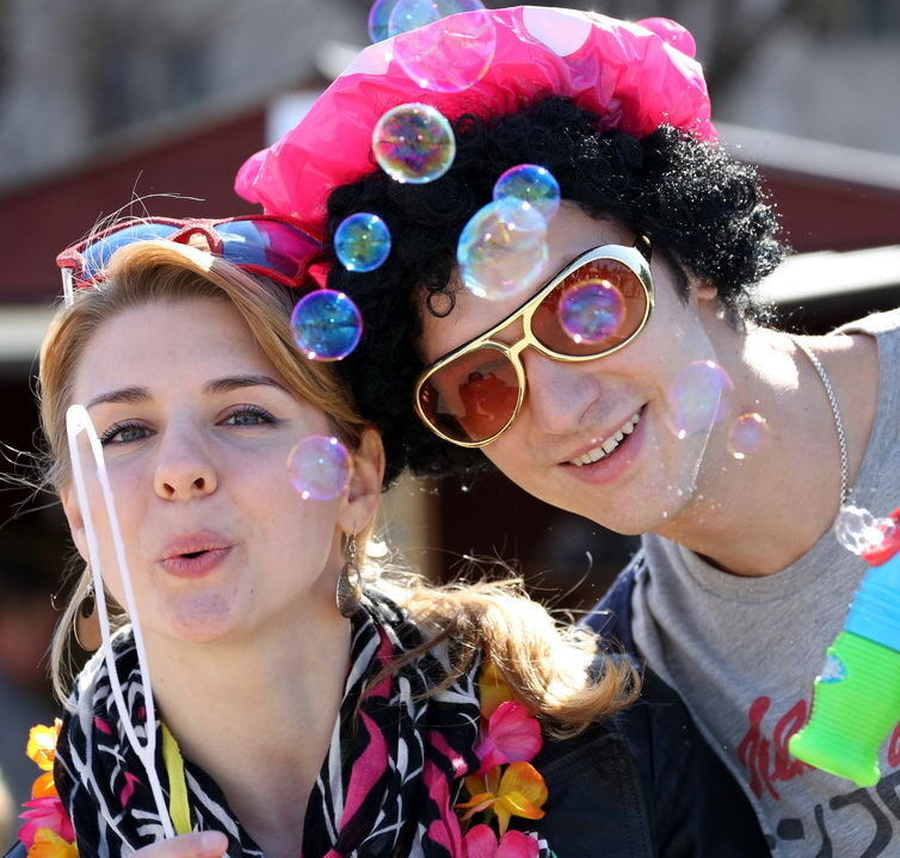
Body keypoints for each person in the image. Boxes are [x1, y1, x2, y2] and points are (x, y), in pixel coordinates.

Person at [234, 3, 900, 855]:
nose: (558, 407)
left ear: (687, 255)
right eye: (479, 383)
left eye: (586, 308)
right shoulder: (621, 699)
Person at [4, 215, 767, 858]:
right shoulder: (52, 838)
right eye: (126, 431)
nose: (180, 470)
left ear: (358, 480)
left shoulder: (611, 757)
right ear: (79, 511)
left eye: (243, 414)